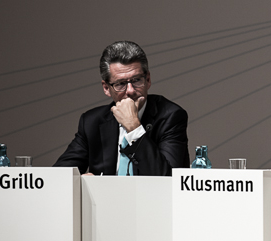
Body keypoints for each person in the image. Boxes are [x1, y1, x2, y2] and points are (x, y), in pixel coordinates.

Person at [54, 41, 190, 175]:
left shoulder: (171, 116)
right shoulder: (92, 122)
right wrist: (81, 182)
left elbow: (169, 180)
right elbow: (57, 176)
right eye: (120, 84)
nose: (130, 90)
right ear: (106, 88)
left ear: (148, 80)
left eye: (137, 80)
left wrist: (134, 127)